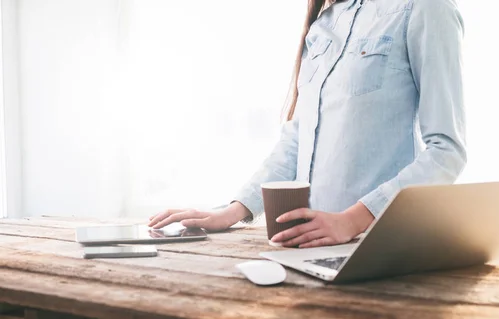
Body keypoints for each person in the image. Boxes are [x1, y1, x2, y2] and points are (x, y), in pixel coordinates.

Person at [148, 0, 467, 249]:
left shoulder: (427, 8)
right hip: (307, 249)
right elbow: (296, 142)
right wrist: (234, 210)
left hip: (380, 247)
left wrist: (351, 221)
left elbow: (446, 153)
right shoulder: (325, 24)